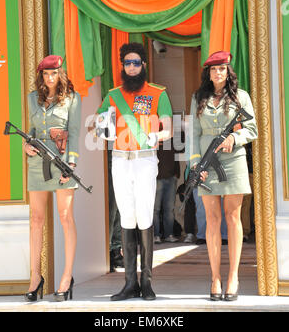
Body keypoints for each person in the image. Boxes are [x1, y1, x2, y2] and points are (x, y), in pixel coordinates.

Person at [90, 42, 173, 301]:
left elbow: (169, 130)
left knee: (145, 215)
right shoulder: (113, 95)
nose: (132, 67)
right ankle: (129, 283)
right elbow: (97, 124)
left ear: (144, 66)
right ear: (123, 67)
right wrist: (98, 125)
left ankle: (146, 282)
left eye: (136, 62)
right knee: (126, 216)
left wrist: (156, 134)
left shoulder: (158, 93)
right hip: (120, 160)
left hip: (145, 159)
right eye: (128, 63)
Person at [189, 51, 258, 301]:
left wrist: (234, 137)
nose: (218, 73)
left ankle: (233, 277)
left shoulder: (241, 97)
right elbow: (194, 134)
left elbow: (252, 129)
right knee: (212, 218)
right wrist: (196, 165)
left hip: (234, 161)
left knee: (233, 217)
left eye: (222, 69)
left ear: (228, 71)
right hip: (207, 163)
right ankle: (215, 277)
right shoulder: (199, 97)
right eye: (213, 69)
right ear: (208, 73)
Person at [24, 55, 81, 302]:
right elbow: (33, 132)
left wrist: (72, 162)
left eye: (54, 74)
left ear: (60, 74)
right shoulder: (31, 99)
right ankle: (35, 277)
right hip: (38, 164)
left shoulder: (71, 98)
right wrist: (26, 146)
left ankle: (66, 277)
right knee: (36, 219)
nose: (49, 78)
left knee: (66, 217)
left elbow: (75, 132)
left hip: (61, 161)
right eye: (46, 74)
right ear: (41, 76)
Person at [153, 139, 180, 244]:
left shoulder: (172, 136)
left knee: (169, 209)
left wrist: (176, 173)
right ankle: (156, 235)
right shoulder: (153, 135)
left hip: (171, 177)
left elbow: (176, 154)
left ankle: (169, 234)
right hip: (157, 177)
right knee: (155, 209)